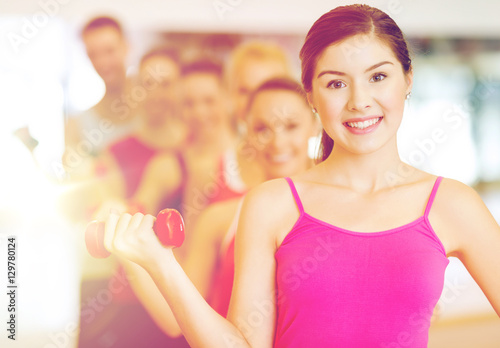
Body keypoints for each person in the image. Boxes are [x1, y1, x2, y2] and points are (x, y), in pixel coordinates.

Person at [101, 5, 500, 347]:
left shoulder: (452, 204)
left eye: (378, 77)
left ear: (407, 81)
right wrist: (158, 262)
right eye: (336, 83)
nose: (360, 101)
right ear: (310, 95)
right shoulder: (272, 203)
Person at [116, 77, 319, 337]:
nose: (277, 142)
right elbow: (175, 321)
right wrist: (127, 250)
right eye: (262, 129)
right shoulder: (220, 218)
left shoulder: (337, 213)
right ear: (246, 132)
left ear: (314, 125)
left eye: (291, 126)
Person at [63, 16, 136, 178]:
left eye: (109, 51)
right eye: (93, 54)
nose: (102, 62)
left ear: (126, 47)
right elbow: (73, 180)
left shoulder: (156, 108)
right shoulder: (77, 125)